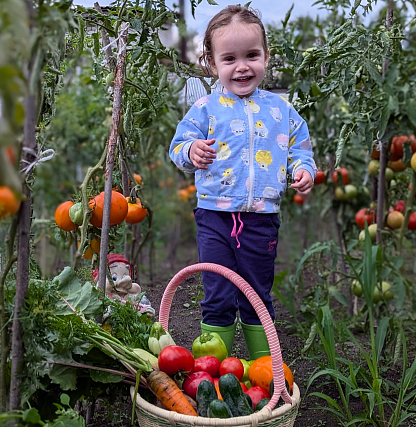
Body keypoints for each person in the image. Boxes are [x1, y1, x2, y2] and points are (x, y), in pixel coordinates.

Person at [168, 5, 316, 360]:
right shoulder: (204, 108)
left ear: (266, 56)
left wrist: (304, 169)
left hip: (261, 219)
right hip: (214, 217)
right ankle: (211, 372)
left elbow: (301, 148)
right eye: (230, 59)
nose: (242, 66)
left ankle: (264, 371)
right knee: (217, 292)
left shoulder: (281, 110)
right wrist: (192, 151)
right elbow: (177, 147)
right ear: (212, 64)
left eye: (252, 55)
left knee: (256, 293)